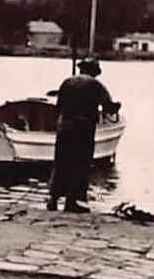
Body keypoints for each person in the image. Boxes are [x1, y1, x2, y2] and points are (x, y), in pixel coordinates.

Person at [46, 58, 121, 214]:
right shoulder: (96, 85)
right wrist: (117, 106)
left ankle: (53, 198)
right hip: (83, 129)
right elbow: (108, 107)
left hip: (64, 127)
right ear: (94, 71)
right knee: (80, 164)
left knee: (61, 162)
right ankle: (72, 201)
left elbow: (58, 106)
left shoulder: (67, 82)